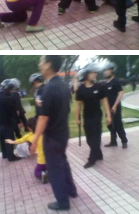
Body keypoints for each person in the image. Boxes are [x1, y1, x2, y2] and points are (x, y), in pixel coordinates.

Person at [29, 55, 78, 211]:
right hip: (63, 132)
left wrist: (34, 141)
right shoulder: (63, 85)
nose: (39, 64)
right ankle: (71, 191)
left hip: (52, 136)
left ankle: (62, 202)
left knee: (55, 169)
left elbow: (43, 118)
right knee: (62, 162)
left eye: (41, 61)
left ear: (48, 64)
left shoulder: (49, 88)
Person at [75, 64, 111, 169]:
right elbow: (78, 105)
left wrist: (108, 115)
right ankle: (98, 153)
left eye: (95, 73)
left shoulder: (99, 86)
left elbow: (105, 102)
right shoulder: (81, 89)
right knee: (89, 139)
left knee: (96, 138)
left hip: (97, 117)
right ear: (86, 75)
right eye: (92, 73)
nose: (95, 75)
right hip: (87, 117)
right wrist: (77, 118)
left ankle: (92, 159)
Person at [5, 117, 48, 182]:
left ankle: (47, 175)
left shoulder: (29, 136)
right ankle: (49, 173)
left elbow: (20, 140)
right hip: (51, 159)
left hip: (42, 160)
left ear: (29, 128)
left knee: (37, 172)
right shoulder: (45, 133)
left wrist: (12, 142)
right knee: (47, 168)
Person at [0, 79, 19, 162]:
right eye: (11, 88)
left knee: (2, 138)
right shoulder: (8, 98)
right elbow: (12, 112)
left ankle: (5, 154)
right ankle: (11, 156)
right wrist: (16, 121)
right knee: (9, 138)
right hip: (7, 122)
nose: (12, 90)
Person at [102, 62, 127, 149]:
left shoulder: (116, 81)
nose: (105, 72)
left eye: (107, 70)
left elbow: (120, 93)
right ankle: (113, 141)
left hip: (115, 107)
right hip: (108, 108)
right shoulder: (106, 83)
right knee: (110, 125)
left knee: (118, 124)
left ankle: (124, 141)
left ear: (112, 71)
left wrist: (115, 106)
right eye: (105, 71)